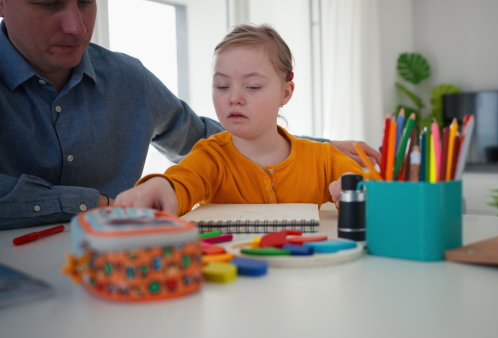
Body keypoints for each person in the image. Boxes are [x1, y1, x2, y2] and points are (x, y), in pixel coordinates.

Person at [0, 0, 380, 230]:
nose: (76, 25)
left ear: (286, 92)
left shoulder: (130, 79)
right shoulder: (212, 159)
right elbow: (191, 174)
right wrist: (157, 190)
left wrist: (325, 153)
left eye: (85, 1)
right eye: (47, 3)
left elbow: (207, 136)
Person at [115, 24, 376, 215]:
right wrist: (162, 186)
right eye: (222, 86)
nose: (234, 98)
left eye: (252, 86)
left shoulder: (322, 157)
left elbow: (377, 190)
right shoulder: (210, 156)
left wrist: (356, 189)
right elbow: (182, 183)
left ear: (285, 92)